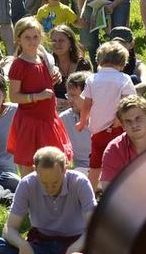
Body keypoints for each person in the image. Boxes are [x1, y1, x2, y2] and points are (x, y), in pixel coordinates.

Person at [0, 146, 95, 254]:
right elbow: (9, 228)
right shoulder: (27, 184)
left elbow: (95, 227)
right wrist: (22, 244)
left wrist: (74, 248)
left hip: (75, 241)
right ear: (35, 170)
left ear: (65, 170)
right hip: (41, 242)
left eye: (55, 183)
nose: (49, 188)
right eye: (44, 183)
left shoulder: (80, 182)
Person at [7, 17, 72, 176]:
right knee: (29, 164)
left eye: (35, 36)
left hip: (48, 117)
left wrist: (54, 74)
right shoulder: (19, 65)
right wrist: (37, 96)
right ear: (18, 40)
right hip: (30, 120)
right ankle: (28, 195)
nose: (32, 41)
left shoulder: (42, 57)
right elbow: (14, 96)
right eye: (27, 38)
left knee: (55, 160)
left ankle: (53, 192)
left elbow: (46, 75)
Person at [77, 41, 136, 191]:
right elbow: (127, 103)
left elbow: (86, 104)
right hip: (116, 129)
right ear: (123, 62)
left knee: (95, 163)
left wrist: (82, 121)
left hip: (96, 131)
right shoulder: (124, 79)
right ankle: (122, 190)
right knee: (121, 161)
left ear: (100, 59)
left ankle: (90, 192)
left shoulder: (92, 79)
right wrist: (117, 121)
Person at [100, 94, 146, 191]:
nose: (134, 125)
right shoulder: (114, 150)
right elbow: (108, 192)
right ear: (123, 126)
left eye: (138, 118)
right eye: (128, 121)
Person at [49, 25, 92, 112]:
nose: (57, 44)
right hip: (53, 109)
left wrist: (71, 103)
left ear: (70, 42)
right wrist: (53, 101)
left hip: (78, 110)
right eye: (54, 41)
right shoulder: (47, 64)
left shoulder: (83, 64)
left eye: (61, 40)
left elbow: (89, 92)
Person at [59, 71, 92, 173]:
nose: (69, 101)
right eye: (68, 95)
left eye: (73, 96)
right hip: (79, 172)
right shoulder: (64, 119)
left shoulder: (105, 117)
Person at [107, 26, 146, 96]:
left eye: (122, 43)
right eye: (114, 44)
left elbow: (145, 84)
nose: (118, 47)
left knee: (133, 79)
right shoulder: (105, 65)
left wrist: (123, 93)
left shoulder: (138, 65)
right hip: (111, 102)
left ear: (131, 44)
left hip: (131, 101)